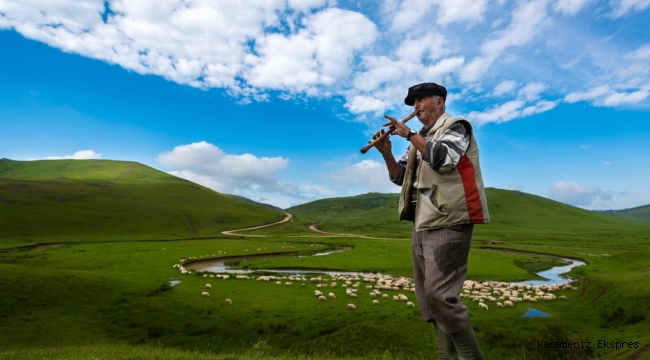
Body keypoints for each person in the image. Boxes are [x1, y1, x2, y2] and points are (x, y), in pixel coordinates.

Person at [372, 82, 490, 360]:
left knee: (441, 295)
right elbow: (402, 177)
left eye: (421, 99)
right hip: (422, 221)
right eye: (413, 102)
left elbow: (443, 158)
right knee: (427, 297)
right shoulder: (421, 137)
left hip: (449, 218)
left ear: (439, 101)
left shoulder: (457, 126)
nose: (416, 106)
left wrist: (410, 133)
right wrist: (387, 152)